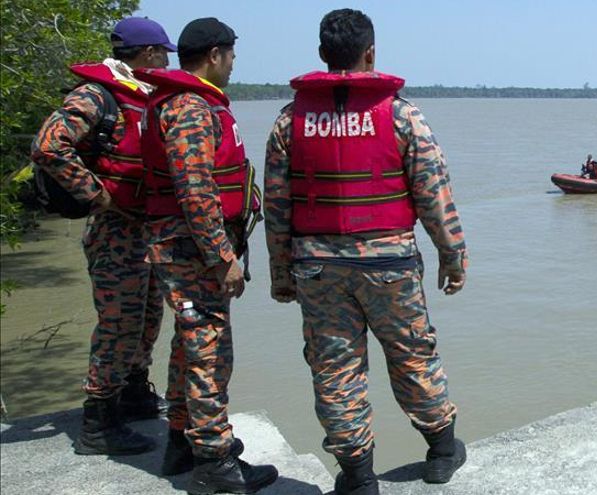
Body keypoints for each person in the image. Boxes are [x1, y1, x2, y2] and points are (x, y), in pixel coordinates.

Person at [264, 9, 468, 495]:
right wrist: (452, 254)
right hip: (390, 263)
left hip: (316, 267)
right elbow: (434, 193)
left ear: (322, 56)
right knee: (412, 354)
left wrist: (281, 274)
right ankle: (441, 452)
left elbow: (275, 205)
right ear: (371, 54)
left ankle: (357, 480)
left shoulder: (290, 120)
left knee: (335, 369)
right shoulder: (401, 114)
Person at [135, 18, 276, 494]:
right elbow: (195, 188)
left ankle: (181, 439)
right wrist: (222, 257)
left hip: (183, 246)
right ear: (215, 55)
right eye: (232, 54)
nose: (234, 64)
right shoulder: (192, 107)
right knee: (210, 352)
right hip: (191, 250)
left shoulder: (179, 102)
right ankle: (215, 463)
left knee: (188, 344)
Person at [31, 16, 175, 457]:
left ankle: (132, 394)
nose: (166, 61)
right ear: (148, 53)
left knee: (147, 319)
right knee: (119, 325)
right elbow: (49, 145)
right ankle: (98, 421)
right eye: (163, 53)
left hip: (143, 229)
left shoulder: (139, 93)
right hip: (115, 231)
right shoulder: (96, 94)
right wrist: (98, 196)